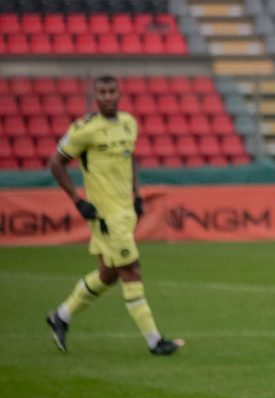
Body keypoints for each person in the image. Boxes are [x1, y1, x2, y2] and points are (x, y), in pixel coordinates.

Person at [46, 75, 182, 356]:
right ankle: (154, 341)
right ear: (95, 96)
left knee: (108, 274)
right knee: (132, 269)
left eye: (112, 91)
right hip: (105, 215)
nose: (108, 96)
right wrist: (77, 201)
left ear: (119, 94)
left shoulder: (129, 123)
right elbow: (56, 162)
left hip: (125, 211)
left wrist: (137, 194)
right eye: (102, 92)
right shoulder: (84, 129)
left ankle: (61, 316)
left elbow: (130, 157)